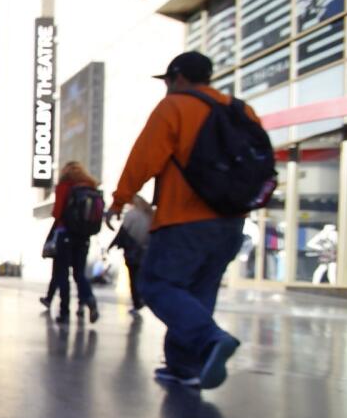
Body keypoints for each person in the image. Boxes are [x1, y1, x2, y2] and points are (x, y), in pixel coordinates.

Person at [108, 51, 258, 389]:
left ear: (177, 78)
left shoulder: (175, 106)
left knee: (157, 285)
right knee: (198, 293)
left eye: (166, 82)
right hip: (232, 221)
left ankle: (209, 340)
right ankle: (183, 366)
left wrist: (119, 201)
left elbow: (143, 160)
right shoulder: (241, 110)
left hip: (183, 218)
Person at [45, 161, 100, 324]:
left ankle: (64, 312)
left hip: (65, 235)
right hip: (84, 237)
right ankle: (89, 299)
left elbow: (57, 212)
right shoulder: (91, 186)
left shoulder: (64, 186)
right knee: (79, 274)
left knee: (63, 274)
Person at [109, 194, 153, 314]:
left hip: (132, 251)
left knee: (133, 277)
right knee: (141, 276)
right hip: (146, 251)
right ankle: (141, 298)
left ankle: (137, 302)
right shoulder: (150, 215)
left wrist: (111, 246)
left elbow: (123, 232)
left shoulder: (131, 214)